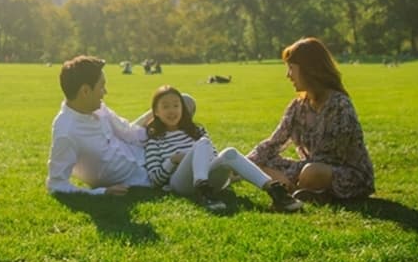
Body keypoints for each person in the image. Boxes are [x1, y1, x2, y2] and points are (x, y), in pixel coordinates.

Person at [248, 37, 375, 204]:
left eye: (291, 68)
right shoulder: (297, 106)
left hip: (344, 174)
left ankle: (295, 189)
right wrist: (245, 163)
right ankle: (303, 192)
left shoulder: (339, 105)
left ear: (308, 70)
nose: (288, 75)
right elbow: (274, 143)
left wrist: (292, 171)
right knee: (261, 163)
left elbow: (329, 159)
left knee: (311, 172)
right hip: (308, 169)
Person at [143, 86, 302, 212]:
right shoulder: (154, 141)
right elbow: (154, 180)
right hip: (180, 184)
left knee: (229, 152)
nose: (172, 111)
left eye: (176, 105)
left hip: (210, 180)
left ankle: (274, 191)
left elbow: (212, 157)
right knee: (202, 143)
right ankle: (203, 190)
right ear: (156, 112)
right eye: (165, 107)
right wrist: (173, 160)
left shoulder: (196, 131)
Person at [47, 55, 152, 195]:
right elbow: (56, 185)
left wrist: (157, 135)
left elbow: (127, 131)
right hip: (144, 174)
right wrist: (101, 192)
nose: (105, 92)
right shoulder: (66, 132)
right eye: (101, 87)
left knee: (184, 101)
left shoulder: (98, 107)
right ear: (85, 91)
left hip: (145, 152)